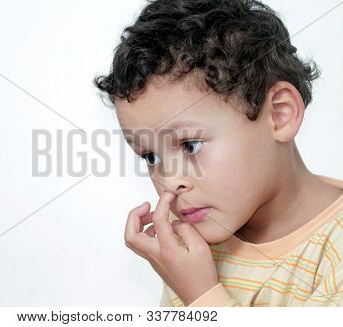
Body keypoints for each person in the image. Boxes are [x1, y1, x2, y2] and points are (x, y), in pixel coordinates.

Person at [93, 0, 342, 306]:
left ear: (279, 114)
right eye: (151, 157)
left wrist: (201, 293)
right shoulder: (192, 240)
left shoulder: (334, 253)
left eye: (190, 145)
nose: (170, 182)